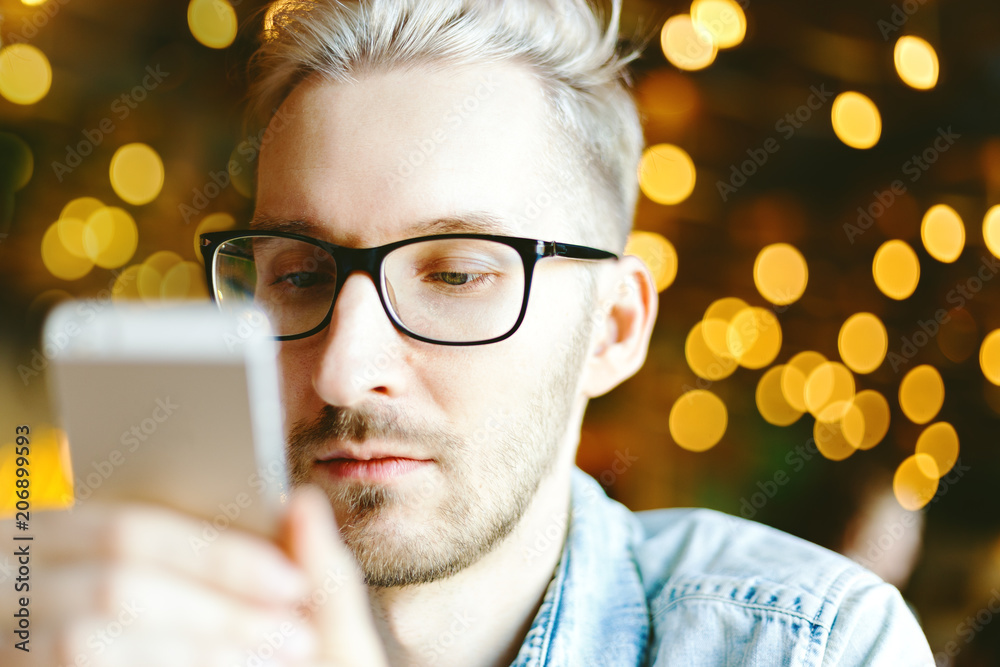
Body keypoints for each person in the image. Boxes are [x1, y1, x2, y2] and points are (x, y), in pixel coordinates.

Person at [4, 0, 935, 664]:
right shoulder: (85, 632)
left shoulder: (811, 645)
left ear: (614, 328)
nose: (342, 367)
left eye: (455, 272)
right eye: (299, 273)